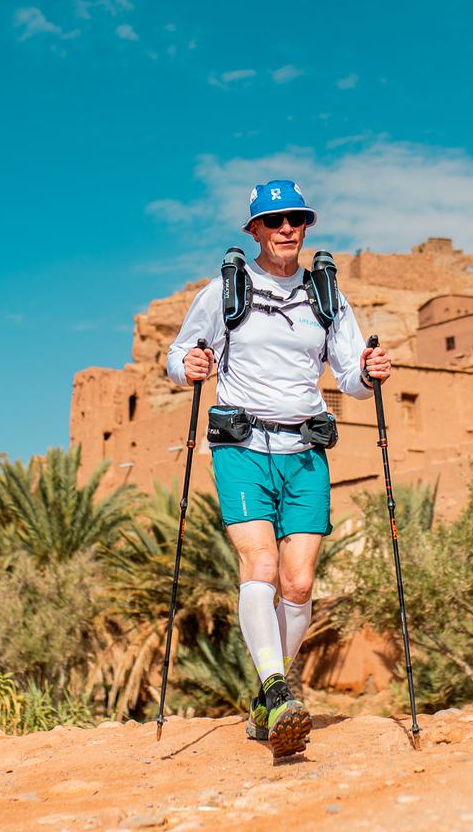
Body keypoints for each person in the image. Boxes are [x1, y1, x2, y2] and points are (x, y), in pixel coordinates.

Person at [166, 179, 390, 759]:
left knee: (299, 582)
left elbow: (350, 380)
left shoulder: (328, 297)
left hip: (305, 449)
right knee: (260, 564)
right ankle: (276, 687)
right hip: (241, 446)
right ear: (255, 231)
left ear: (306, 227)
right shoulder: (225, 292)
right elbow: (178, 354)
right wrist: (186, 364)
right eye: (274, 221)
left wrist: (370, 372)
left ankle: (270, 696)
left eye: (297, 220)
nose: (287, 229)